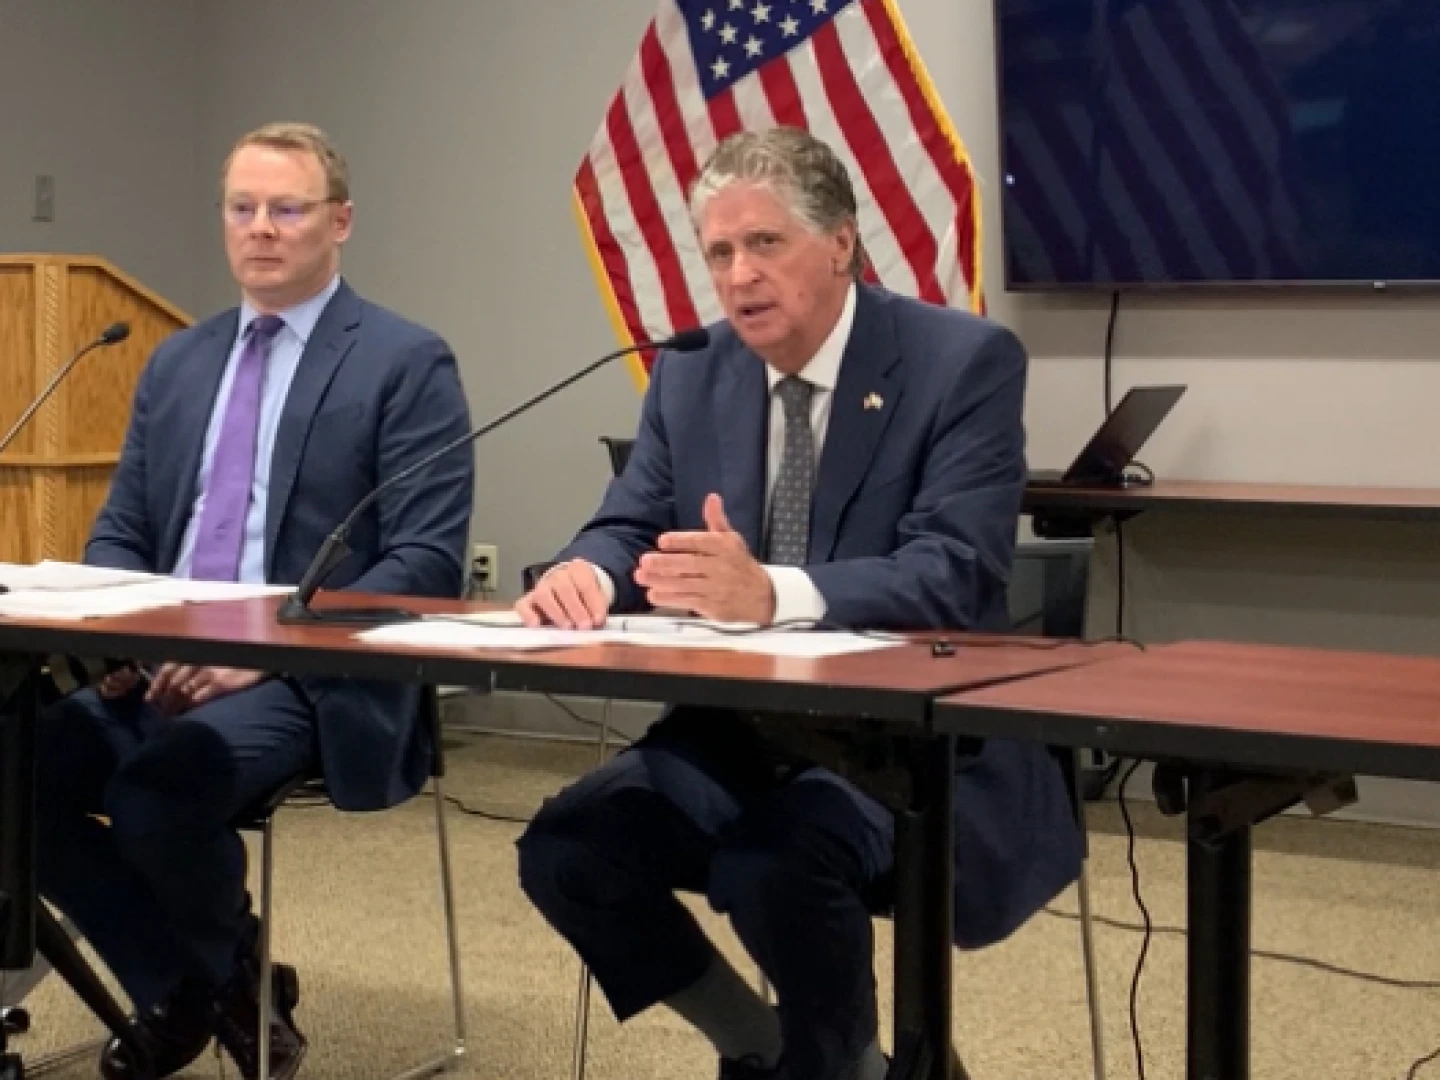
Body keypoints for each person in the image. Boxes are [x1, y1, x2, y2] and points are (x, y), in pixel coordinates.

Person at [514, 127, 1083, 1080]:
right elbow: (628, 522)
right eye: (721, 253)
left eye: (765, 244)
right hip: (739, 727)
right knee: (571, 847)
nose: (741, 276)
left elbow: (957, 570)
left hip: (910, 747)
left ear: (842, 244)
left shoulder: (962, 362)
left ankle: (836, 1065)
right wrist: (586, 571)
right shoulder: (692, 373)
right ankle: (762, 1045)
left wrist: (772, 592)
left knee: (773, 867)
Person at [33, 122, 474, 1080]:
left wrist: (269, 651)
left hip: (315, 675)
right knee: (15, 778)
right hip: (163, 660)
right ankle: (206, 981)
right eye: (243, 208)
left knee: (157, 790)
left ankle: (192, 983)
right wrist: (126, 642)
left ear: (340, 221)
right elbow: (123, 534)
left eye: (287, 208)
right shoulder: (179, 361)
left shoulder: (404, 361)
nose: (261, 229)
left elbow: (426, 563)